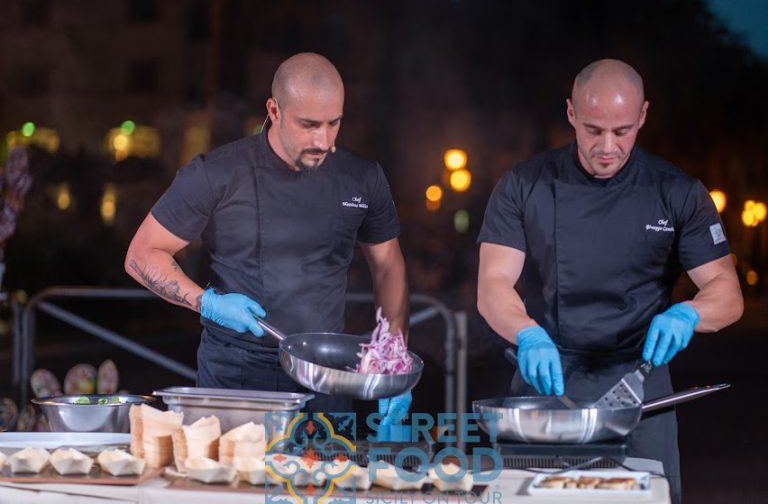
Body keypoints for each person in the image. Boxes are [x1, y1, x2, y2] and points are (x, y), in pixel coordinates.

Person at [476, 59, 743, 504]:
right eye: (593, 129)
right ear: (571, 115)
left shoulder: (676, 192)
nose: (606, 146)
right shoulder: (525, 185)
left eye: (621, 131)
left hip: (639, 393)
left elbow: (727, 292)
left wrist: (688, 312)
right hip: (548, 389)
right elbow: (493, 283)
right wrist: (527, 334)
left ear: (642, 117)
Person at [125, 52, 412, 428]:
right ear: (274, 111)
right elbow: (142, 254)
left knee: (325, 484)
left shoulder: (363, 179)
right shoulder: (218, 173)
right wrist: (207, 302)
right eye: (308, 125)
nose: (323, 140)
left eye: (333, 123)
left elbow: (388, 266)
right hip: (236, 378)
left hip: (326, 378)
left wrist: (394, 356)